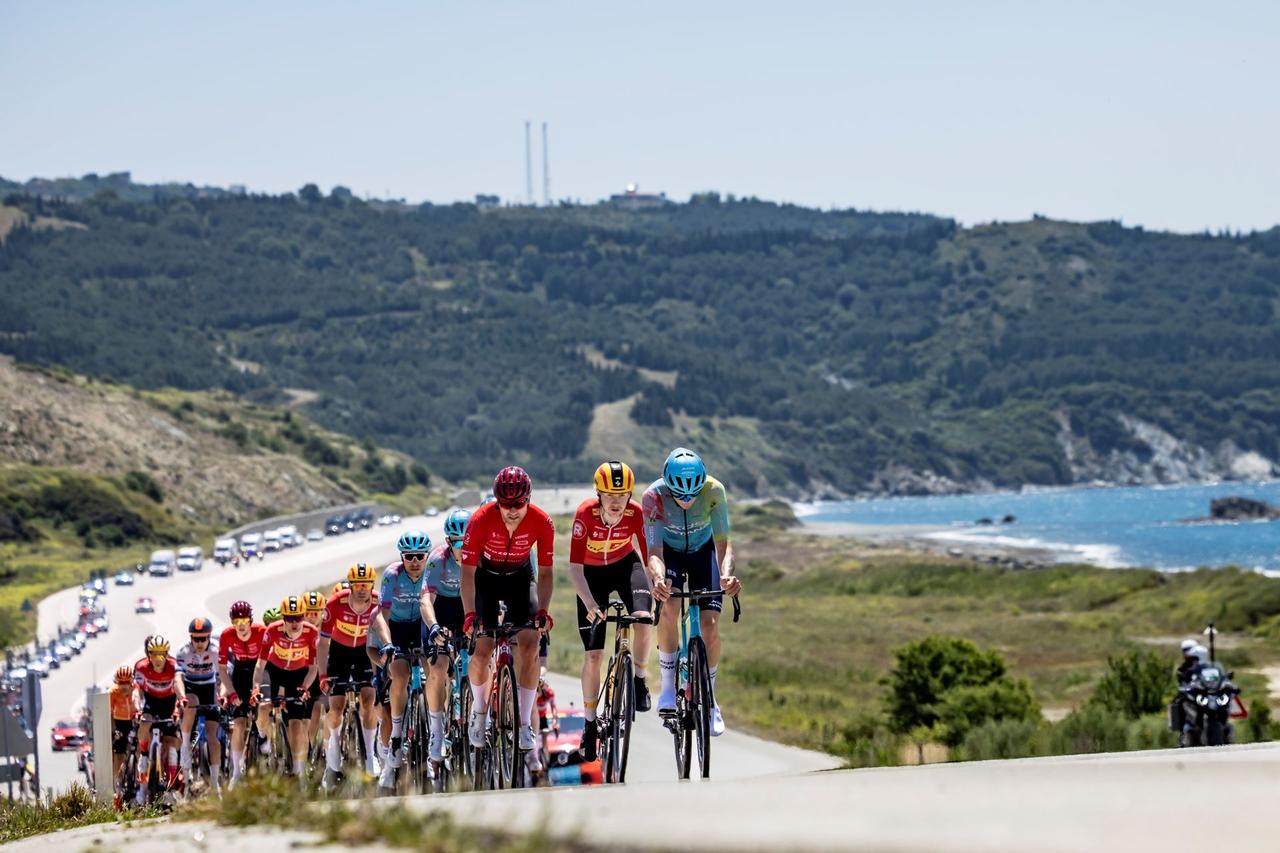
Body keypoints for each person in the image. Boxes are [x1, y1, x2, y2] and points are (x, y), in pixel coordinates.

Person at [643, 447, 741, 736]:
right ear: (668, 486)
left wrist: (726, 574)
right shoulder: (653, 496)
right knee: (669, 607)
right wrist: (658, 579)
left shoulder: (714, 491)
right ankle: (667, 687)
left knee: (710, 625)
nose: (686, 501)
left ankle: (711, 701)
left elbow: (724, 544)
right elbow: (654, 552)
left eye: (692, 495)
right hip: (670, 554)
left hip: (703, 552)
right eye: (680, 495)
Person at [461, 466, 555, 761]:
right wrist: (469, 614)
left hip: (520, 579)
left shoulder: (542, 521)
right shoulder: (480, 520)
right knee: (482, 649)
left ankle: (525, 723)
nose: (512, 510)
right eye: (505, 504)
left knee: (530, 643)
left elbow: (547, 572)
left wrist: (543, 610)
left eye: (519, 503)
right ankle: (479, 713)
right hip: (485, 580)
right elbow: (467, 574)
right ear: (497, 501)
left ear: (529, 499)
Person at [569, 461, 654, 761]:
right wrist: (590, 604)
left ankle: (640, 680)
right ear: (599, 494)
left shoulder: (636, 513)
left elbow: (649, 557)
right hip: (591, 575)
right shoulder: (585, 514)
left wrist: (657, 584)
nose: (616, 502)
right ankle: (590, 725)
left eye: (622, 495)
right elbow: (575, 568)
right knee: (593, 656)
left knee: (644, 619)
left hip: (624, 566)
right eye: (609, 495)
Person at [373, 535, 439, 788]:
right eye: (408, 556)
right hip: (398, 628)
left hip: (422, 625)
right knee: (399, 675)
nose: (414, 561)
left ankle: (436, 729)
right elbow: (382, 614)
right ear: (402, 557)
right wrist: (387, 643)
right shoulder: (392, 575)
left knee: (435, 671)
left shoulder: (431, 571)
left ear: (426, 556)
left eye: (419, 556)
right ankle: (397, 735)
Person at [319, 567, 381, 785]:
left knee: (368, 701)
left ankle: (370, 752)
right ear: (351, 585)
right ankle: (334, 748)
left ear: (372, 585)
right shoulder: (336, 603)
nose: (362, 589)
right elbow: (323, 643)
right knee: (336, 707)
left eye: (366, 584)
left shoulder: (378, 601)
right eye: (357, 584)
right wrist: (323, 675)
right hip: (340, 653)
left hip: (365, 651)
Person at [422, 509, 469, 765]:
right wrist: (433, 626)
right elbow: (426, 599)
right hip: (441, 609)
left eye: (467, 541)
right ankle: (437, 731)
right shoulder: (438, 559)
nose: (463, 548)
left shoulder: (480, 555)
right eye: (458, 543)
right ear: (448, 542)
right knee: (438, 668)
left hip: (467, 606)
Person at [253, 596, 319, 777]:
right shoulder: (272, 630)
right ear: (283, 618)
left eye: (298, 617)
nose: (294, 622)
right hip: (274, 671)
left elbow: (313, 668)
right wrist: (256, 687)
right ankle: (262, 735)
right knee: (264, 705)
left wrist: (305, 687)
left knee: (296, 724)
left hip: (297, 674)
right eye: (290, 618)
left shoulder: (311, 632)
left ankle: (298, 773)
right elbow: (260, 664)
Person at [132, 635, 185, 802]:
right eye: (153, 654)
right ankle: (145, 757)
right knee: (144, 724)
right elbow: (137, 691)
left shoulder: (174, 665)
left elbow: (178, 684)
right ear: (148, 654)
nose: (157, 659)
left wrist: (180, 704)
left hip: (169, 703)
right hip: (151, 702)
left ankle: (171, 785)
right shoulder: (141, 666)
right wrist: (137, 709)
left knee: (171, 742)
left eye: (161, 654)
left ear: (167, 654)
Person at [218, 600, 266, 785]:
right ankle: (236, 773)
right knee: (238, 724)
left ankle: (266, 740)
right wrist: (231, 693)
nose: (241, 625)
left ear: (251, 620)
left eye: (244, 620)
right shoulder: (226, 635)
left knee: (265, 709)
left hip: (260, 670)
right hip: (240, 673)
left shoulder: (262, 631)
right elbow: (223, 669)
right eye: (236, 622)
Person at [176, 617, 222, 794]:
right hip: (191, 687)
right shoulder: (183, 652)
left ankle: (215, 784)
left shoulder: (216, 650)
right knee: (191, 703)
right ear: (191, 638)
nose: (200, 643)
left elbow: (223, 676)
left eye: (203, 639)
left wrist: (223, 695)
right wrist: (181, 697)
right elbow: (177, 678)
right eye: (196, 639)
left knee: (212, 736)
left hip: (209, 688)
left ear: (209, 637)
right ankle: (186, 744)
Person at [303, 591, 328, 747]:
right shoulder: (299, 629)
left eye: (315, 613)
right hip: (306, 673)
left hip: (324, 672)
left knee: (320, 708)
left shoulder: (329, 627)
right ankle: (309, 747)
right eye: (308, 613)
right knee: (309, 715)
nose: (311, 617)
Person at [109, 666, 136, 792]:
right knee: (119, 753)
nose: (124, 686)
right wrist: (114, 729)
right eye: (121, 683)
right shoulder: (112, 692)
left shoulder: (137, 689)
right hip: (120, 723)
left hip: (134, 721)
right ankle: (117, 781)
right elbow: (109, 713)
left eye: (127, 682)